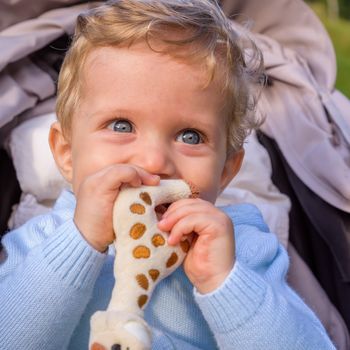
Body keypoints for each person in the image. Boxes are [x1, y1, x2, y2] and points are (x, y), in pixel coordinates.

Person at [0, 0, 336, 349]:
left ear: (225, 171)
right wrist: (78, 242)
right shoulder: (42, 239)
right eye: (121, 125)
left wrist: (225, 283)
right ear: (67, 154)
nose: (153, 160)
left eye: (190, 136)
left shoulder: (242, 250)